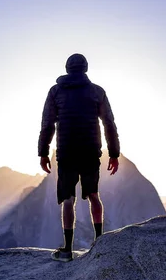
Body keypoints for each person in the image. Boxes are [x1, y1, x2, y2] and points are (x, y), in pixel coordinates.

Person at [37, 53, 120, 262]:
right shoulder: (97, 92)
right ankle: (99, 243)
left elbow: (47, 124)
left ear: (67, 69)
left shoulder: (55, 91)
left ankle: (67, 250)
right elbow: (108, 123)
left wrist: (43, 152)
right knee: (93, 194)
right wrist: (114, 153)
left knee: (67, 199)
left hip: (66, 150)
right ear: (85, 68)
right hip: (91, 149)